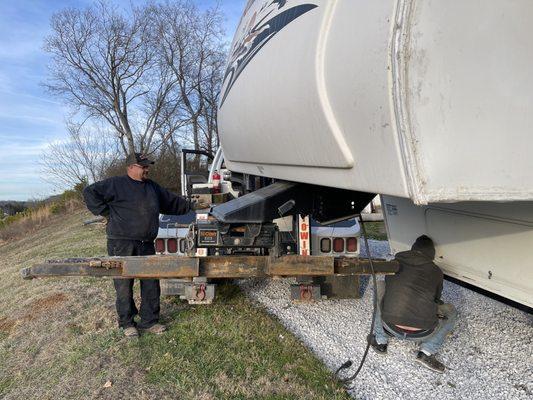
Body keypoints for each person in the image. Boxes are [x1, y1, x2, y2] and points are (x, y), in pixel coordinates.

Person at [83, 152, 195, 338]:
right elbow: (89, 192)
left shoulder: (152, 187)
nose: (147, 169)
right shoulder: (115, 184)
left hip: (146, 243)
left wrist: (191, 205)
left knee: (151, 282)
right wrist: (106, 213)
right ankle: (127, 323)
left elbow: (172, 202)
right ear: (131, 168)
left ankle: (149, 321)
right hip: (121, 243)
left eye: (147, 166)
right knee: (124, 283)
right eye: (143, 166)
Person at [367, 235, 457, 373]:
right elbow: (437, 299)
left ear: (412, 250)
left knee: (380, 286)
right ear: (431, 254)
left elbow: (390, 287)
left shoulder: (395, 263)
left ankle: (380, 342)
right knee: (451, 310)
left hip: (391, 325)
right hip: (423, 332)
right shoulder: (437, 272)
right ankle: (426, 352)